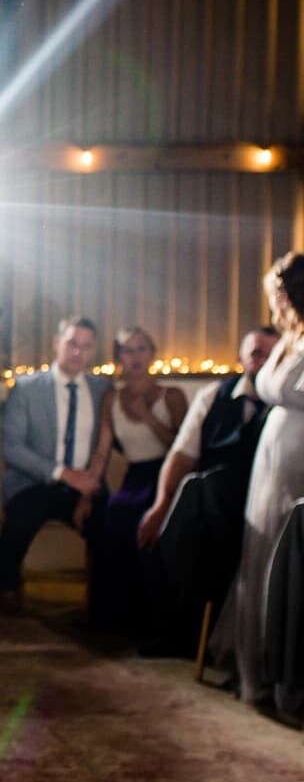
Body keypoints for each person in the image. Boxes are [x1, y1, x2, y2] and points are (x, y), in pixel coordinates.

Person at [136, 327, 278, 657]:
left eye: (271, 354)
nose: (263, 361)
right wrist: (159, 506)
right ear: (240, 358)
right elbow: (182, 455)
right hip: (210, 508)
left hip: (259, 505)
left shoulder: (285, 402)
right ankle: (177, 630)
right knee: (191, 494)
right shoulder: (214, 395)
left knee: (202, 489)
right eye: (256, 353)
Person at [217, 252, 304, 705]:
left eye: (277, 294)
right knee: (261, 550)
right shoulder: (289, 339)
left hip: (298, 457)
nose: (273, 304)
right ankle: (257, 673)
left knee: (286, 555)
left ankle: (285, 675)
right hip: (271, 455)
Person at [0, 316, 111, 615]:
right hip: (34, 481)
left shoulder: (103, 391)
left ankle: (104, 603)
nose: (78, 352)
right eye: (72, 343)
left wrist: (85, 486)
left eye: (86, 346)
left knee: (110, 522)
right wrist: (62, 474)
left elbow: (107, 443)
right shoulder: (27, 388)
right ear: (57, 343)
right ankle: (7, 586)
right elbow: (13, 448)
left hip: (84, 485)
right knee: (19, 520)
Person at [81, 327, 188, 632]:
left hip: (166, 475)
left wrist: (149, 417)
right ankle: (115, 618)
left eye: (142, 349)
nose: (136, 356)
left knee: (145, 521)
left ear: (152, 354)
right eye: (128, 350)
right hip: (134, 476)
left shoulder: (171, 395)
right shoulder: (111, 398)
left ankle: (155, 622)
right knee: (113, 511)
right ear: (118, 357)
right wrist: (87, 494)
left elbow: (184, 450)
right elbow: (102, 452)